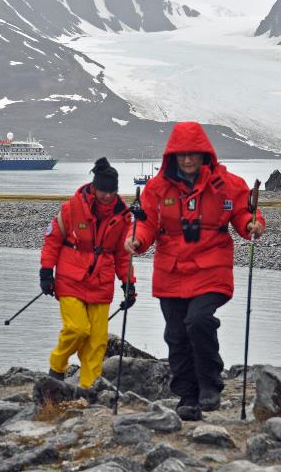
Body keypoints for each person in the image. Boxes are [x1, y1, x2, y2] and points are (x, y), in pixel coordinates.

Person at [124, 122, 266, 421]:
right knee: (176, 335)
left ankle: (210, 384)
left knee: (199, 320)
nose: (187, 160)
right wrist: (137, 239)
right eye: (181, 155)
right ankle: (187, 397)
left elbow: (243, 212)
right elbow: (147, 221)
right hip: (171, 268)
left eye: (193, 154)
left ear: (205, 155)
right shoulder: (157, 188)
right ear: (172, 156)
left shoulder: (228, 184)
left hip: (211, 264)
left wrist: (252, 225)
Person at [39, 157, 136, 388]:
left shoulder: (123, 216)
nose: (107, 195)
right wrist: (46, 272)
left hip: (102, 282)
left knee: (97, 340)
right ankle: (57, 365)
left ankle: (88, 387)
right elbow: (52, 240)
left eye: (111, 191)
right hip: (70, 277)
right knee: (77, 328)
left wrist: (128, 284)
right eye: (103, 190)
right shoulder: (72, 208)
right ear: (94, 186)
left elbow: (123, 254)